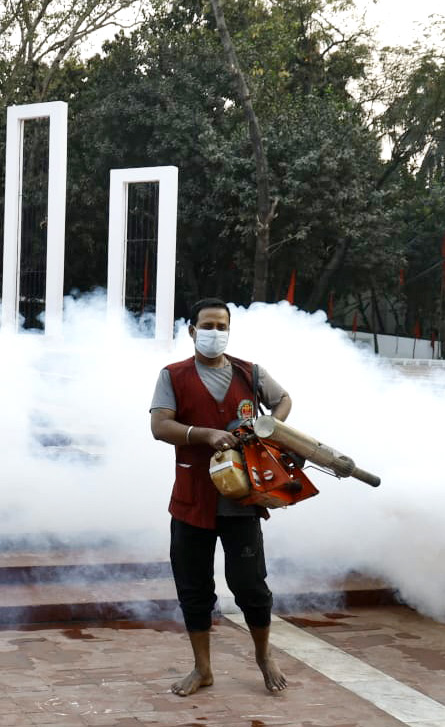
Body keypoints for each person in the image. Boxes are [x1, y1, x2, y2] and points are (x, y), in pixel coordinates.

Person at [149, 297, 293, 696]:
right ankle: (203, 668)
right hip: (192, 498)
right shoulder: (173, 376)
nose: (215, 332)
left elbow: (284, 400)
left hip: (241, 499)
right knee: (194, 587)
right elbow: (160, 426)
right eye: (207, 326)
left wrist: (267, 426)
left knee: (250, 585)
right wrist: (203, 434)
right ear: (193, 331)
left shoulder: (251, 373)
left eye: (221, 326)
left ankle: (264, 655)